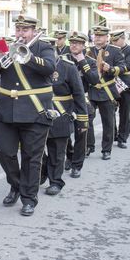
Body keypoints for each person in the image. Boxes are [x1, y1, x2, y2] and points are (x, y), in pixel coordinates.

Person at [0, 15, 55, 217]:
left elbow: (49, 68)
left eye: (25, 30)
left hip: (34, 112)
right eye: (18, 29)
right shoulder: (4, 46)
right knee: (4, 151)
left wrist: (26, 56)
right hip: (6, 111)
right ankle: (16, 184)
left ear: (34, 31)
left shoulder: (43, 47)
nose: (20, 34)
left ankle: (29, 198)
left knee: (31, 157)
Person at [39, 35, 87, 195]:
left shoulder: (68, 67)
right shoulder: (34, 65)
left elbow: (79, 94)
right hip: (37, 113)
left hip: (60, 114)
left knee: (57, 151)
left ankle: (55, 181)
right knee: (36, 150)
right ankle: (43, 170)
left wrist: (82, 119)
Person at [85, 26, 126, 160]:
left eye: (100, 36)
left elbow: (122, 67)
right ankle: (89, 145)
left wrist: (112, 69)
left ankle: (106, 149)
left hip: (106, 90)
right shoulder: (87, 51)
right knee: (87, 119)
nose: (97, 38)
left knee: (108, 121)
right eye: (96, 36)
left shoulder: (115, 51)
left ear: (107, 37)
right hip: (91, 90)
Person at [65, 32, 99, 178]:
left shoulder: (90, 61)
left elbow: (94, 80)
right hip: (65, 101)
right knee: (63, 133)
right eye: (72, 42)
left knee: (81, 134)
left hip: (82, 102)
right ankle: (69, 155)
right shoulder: (63, 60)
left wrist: (82, 61)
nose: (74, 45)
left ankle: (77, 165)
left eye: (78, 43)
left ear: (84, 45)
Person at [111, 30, 130, 149]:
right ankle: (113, 134)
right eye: (113, 40)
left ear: (123, 39)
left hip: (126, 84)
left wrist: (113, 68)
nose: (114, 43)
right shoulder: (110, 50)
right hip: (111, 84)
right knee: (110, 111)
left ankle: (122, 138)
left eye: (116, 40)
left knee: (124, 112)